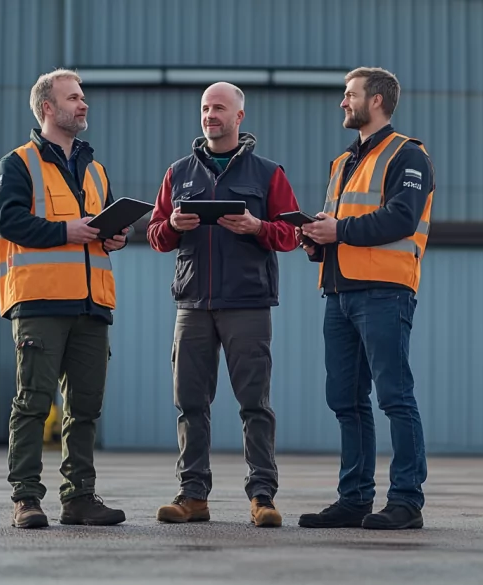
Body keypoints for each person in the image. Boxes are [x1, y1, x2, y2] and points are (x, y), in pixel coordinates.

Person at [146, 82, 301, 528]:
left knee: (255, 404)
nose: (209, 115)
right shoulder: (178, 173)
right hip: (193, 304)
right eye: (204, 108)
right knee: (190, 403)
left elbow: (292, 234)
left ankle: (262, 497)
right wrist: (173, 226)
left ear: (239, 117)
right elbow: (155, 235)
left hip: (247, 303)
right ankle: (192, 496)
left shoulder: (268, 174)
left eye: (218, 108)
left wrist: (257, 227)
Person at [297, 67, 435, 531]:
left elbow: (401, 217)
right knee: (345, 399)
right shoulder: (343, 163)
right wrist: (317, 241)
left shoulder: (408, 155)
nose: (343, 101)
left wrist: (338, 231)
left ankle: (406, 501)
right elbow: (340, 226)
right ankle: (354, 499)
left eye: (350, 94)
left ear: (376, 100)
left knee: (395, 396)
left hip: (384, 293)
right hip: (339, 292)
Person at [0, 68, 129, 529]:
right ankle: (26, 499)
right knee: (33, 402)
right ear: (48, 107)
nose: (83, 103)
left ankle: (80, 498)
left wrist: (114, 237)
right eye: (73, 97)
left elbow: (100, 225)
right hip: (41, 302)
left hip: (92, 304)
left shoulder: (95, 169)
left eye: (82, 96)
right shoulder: (17, 164)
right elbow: (9, 221)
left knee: (85, 407)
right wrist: (66, 231)